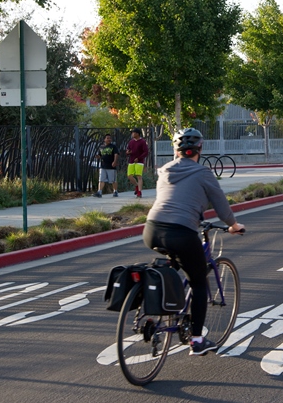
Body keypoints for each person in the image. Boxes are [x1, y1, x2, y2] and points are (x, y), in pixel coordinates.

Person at [143, 127, 245, 356]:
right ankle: (197, 341)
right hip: (181, 232)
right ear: (199, 149)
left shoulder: (165, 170)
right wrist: (233, 225)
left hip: (151, 230)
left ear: (176, 150)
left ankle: (162, 309)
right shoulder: (203, 173)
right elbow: (221, 205)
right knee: (199, 283)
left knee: (177, 263)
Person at [93, 133, 119, 197]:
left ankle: (115, 191)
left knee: (113, 180)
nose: (109, 139)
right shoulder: (101, 147)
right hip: (103, 166)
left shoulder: (113, 146)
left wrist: (115, 161)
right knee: (101, 180)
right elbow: (100, 155)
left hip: (111, 166)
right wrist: (98, 156)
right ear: (104, 139)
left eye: (110, 138)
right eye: (107, 138)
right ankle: (99, 192)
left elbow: (116, 154)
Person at [126, 128, 149, 198]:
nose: (132, 134)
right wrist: (127, 152)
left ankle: (139, 192)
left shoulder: (142, 141)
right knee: (129, 176)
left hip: (139, 161)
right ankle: (136, 185)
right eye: (132, 133)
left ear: (137, 134)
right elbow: (128, 149)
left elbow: (146, 152)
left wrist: (139, 158)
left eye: (133, 133)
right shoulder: (131, 142)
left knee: (139, 176)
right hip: (131, 161)